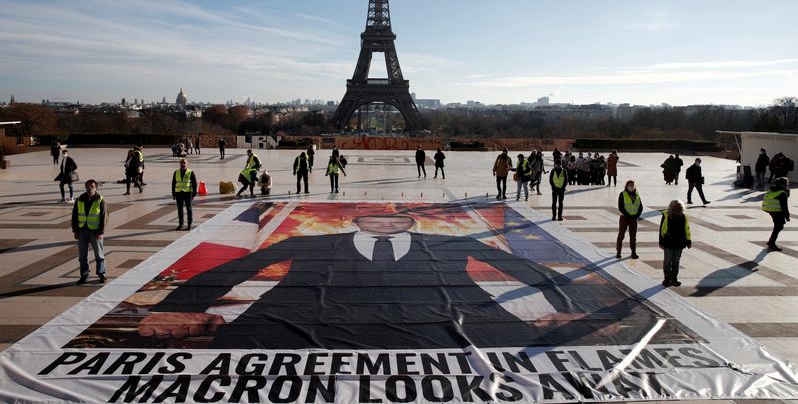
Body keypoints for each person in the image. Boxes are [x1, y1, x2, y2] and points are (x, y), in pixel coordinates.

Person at [137, 214, 645, 349]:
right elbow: (232, 271)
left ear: (409, 223)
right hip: (285, 327)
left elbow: (529, 272)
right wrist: (180, 304)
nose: (386, 223)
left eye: (396, 220)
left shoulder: (454, 244)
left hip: (470, 327)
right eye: (377, 220)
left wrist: (579, 304)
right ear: (357, 222)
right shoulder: (307, 245)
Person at [71, 179, 108, 285]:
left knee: (99, 254)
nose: (90, 188)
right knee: (82, 255)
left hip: (95, 232)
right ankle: (84, 274)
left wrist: (101, 231)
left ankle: (101, 274)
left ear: (96, 188)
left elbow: (104, 217)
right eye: (88, 186)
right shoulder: (80, 199)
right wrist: (75, 230)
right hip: (82, 230)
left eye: (92, 186)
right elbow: (74, 216)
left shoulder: (100, 200)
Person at [658, 200, 692, 287]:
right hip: (668, 242)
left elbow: (686, 229)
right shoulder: (666, 215)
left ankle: (674, 279)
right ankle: (667, 279)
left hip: (679, 242)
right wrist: (661, 242)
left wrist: (688, 241)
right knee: (668, 261)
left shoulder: (683, 216)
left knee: (675, 261)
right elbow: (662, 229)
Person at [762, 177, 790, 251]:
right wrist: (787, 216)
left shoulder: (774, 190)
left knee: (779, 225)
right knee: (779, 226)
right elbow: (784, 206)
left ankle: (771, 242)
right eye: (786, 184)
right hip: (776, 210)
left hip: (770, 209)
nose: (787, 185)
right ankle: (771, 243)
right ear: (783, 184)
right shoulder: (782, 193)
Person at [616, 180, 643, 259]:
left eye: (633, 185)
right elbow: (620, 207)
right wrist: (628, 215)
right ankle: (618, 251)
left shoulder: (637, 194)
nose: (632, 187)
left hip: (634, 219)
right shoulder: (622, 194)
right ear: (627, 186)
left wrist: (636, 216)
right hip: (624, 218)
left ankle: (633, 252)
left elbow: (640, 207)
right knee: (621, 235)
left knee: (633, 236)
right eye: (630, 185)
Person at [172, 159, 198, 231]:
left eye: (184, 163)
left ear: (187, 164)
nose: (183, 164)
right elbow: (173, 183)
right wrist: (173, 194)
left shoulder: (190, 172)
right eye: (181, 163)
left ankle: (189, 224)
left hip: (187, 193)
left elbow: (195, 183)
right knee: (180, 210)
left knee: (189, 209)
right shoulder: (176, 172)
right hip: (178, 193)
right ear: (180, 164)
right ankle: (181, 224)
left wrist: (194, 194)